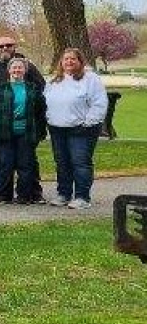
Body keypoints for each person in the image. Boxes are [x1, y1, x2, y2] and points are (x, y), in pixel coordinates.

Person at [44, 48, 108, 209]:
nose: (69, 62)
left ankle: (82, 197)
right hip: (57, 128)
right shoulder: (55, 80)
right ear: (61, 62)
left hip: (81, 128)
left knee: (80, 162)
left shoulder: (90, 79)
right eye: (66, 59)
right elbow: (45, 101)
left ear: (80, 61)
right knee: (62, 162)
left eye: (73, 59)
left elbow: (99, 103)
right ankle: (64, 194)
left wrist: (89, 122)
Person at [0, 57, 47, 205]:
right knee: (5, 164)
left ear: (25, 70)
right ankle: (3, 195)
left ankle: (24, 195)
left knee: (25, 165)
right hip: (4, 132)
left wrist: (40, 132)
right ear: (9, 70)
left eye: (20, 67)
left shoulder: (32, 89)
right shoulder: (0, 89)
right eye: (14, 68)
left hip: (26, 132)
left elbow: (41, 111)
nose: (17, 70)